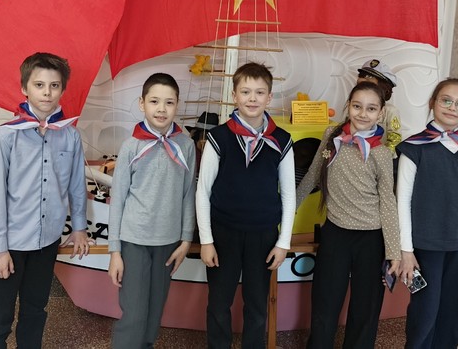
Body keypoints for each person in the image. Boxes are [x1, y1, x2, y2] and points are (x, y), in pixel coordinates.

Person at [0, 52, 89, 348]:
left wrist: (79, 227)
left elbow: (76, 185)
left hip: (47, 240)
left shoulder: (70, 136)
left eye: (54, 86)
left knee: (35, 311)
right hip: (11, 242)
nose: (47, 92)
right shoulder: (6, 136)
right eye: (39, 85)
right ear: (24, 88)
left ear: (62, 90)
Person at [196, 61, 296, 348]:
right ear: (234, 95)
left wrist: (283, 242)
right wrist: (206, 241)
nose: (252, 99)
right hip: (223, 233)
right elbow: (203, 191)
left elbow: (289, 194)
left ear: (269, 97)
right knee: (219, 304)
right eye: (246, 92)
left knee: (257, 306)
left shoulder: (282, 140)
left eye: (259, 92)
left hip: (263, 235)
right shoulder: (218, 137)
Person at [296, 81, 401, 348]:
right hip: (336, 233)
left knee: (365, 309)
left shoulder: (381, 153)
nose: (363, 114)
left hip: (371, 238)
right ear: (348, 106)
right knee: (325, 303)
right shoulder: (331, 135)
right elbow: (312, 176)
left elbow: (388, 201)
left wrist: (393, 251)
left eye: (371, 108)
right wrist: (286, 214)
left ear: (381, 113)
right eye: (357, 106)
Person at [396, 78, 458, 349]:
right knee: (425, 310)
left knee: (454, 311)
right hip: (425, 247)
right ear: (433, 103)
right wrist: (406, 251)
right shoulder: (414, 147)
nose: (452, 107)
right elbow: (402, 201)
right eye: (446, 100)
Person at [108, 72, 197, 348]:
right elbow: (118, 198)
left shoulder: (186, 145)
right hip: (134, 240)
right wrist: (115, 251)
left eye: (169, 102)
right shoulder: (131, 146)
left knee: (154, 313)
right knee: (134, 314)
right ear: (142, 103)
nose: (161, 109)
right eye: (154, 101)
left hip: (168, 243)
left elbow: (188, 194)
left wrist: (186, 239)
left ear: (177, 105)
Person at [357, 59, 402, 154]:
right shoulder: (354, 106)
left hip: (379, 157)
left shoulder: (390, 111)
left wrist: (382, 156)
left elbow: (395, 138)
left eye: (369, 77)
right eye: (362, 76)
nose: (363, 79)